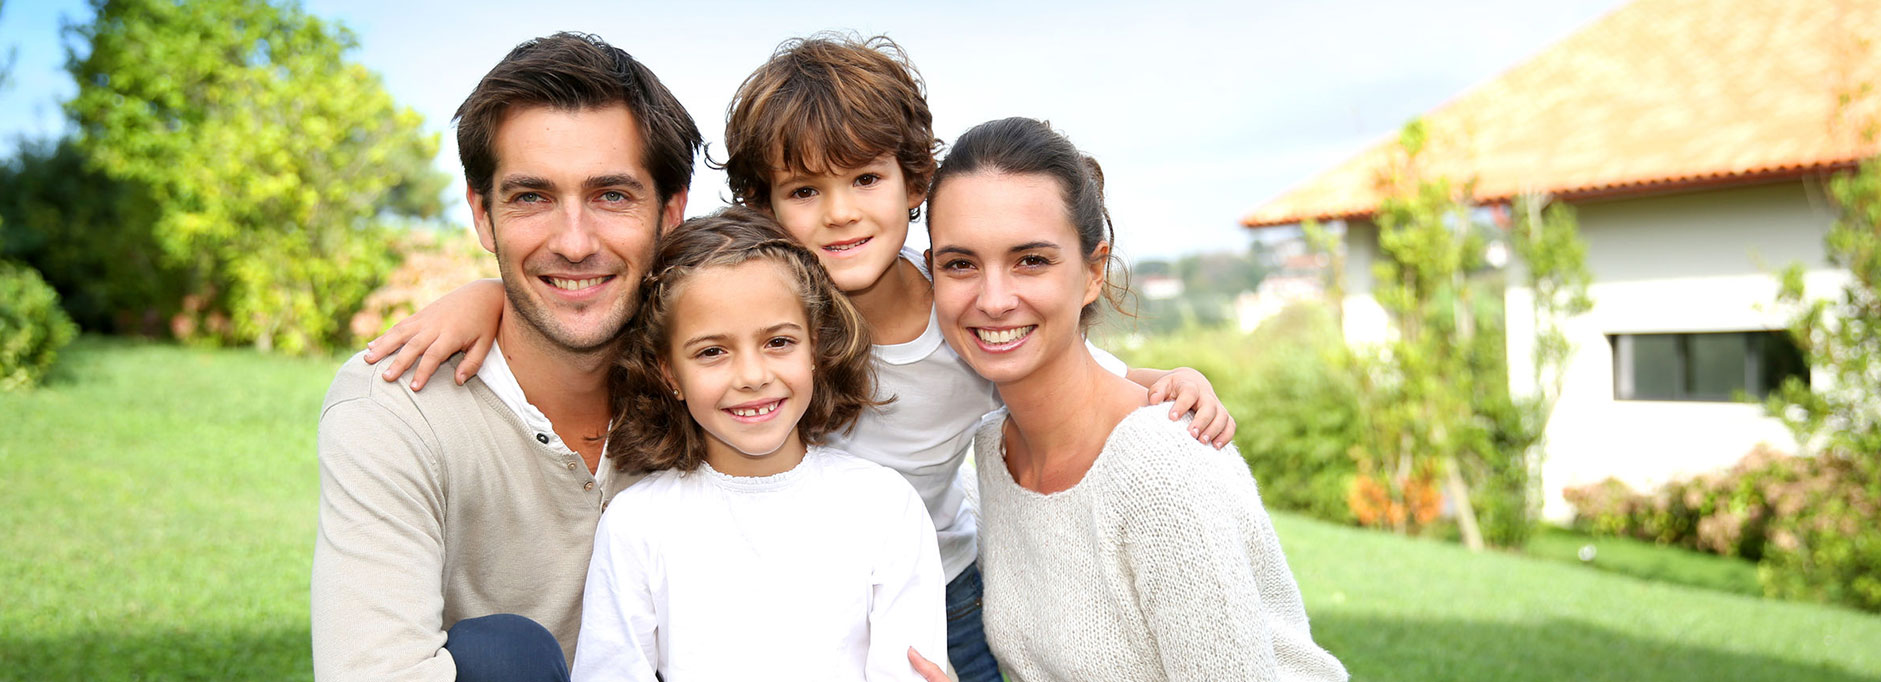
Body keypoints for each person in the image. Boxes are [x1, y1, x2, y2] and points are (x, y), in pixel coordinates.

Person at [366, 34, 1237, 681]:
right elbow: (629, 293)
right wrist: (483, 295)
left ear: (915, 184)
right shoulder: (754, 299)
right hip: (756, 600)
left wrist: (1162, 384)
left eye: (865, 180)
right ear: (764, 204)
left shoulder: (959, 311)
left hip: (943, 595)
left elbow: (1048, 352)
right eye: (804, 191)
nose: (840, 214)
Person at [310, 32, 702, 682]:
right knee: (498, 656)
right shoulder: (393, 408)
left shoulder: (718, 382)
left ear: (671, 214)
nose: (574, 243)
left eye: (611, 195)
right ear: (483, 217)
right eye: (531, 198)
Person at [920, 117, 1350, 681]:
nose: (994, 299)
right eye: (961, 264)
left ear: (1094, 272)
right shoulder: (994, 456)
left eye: (1032, 260)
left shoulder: (1159, 464)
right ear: (932, 274)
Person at [573, 207, 945, 680]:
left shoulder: (884, 507)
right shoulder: (636, 526)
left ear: (814, 346)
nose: (752, 377)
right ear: (670, 373)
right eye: (712, 352)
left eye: (778, 342)